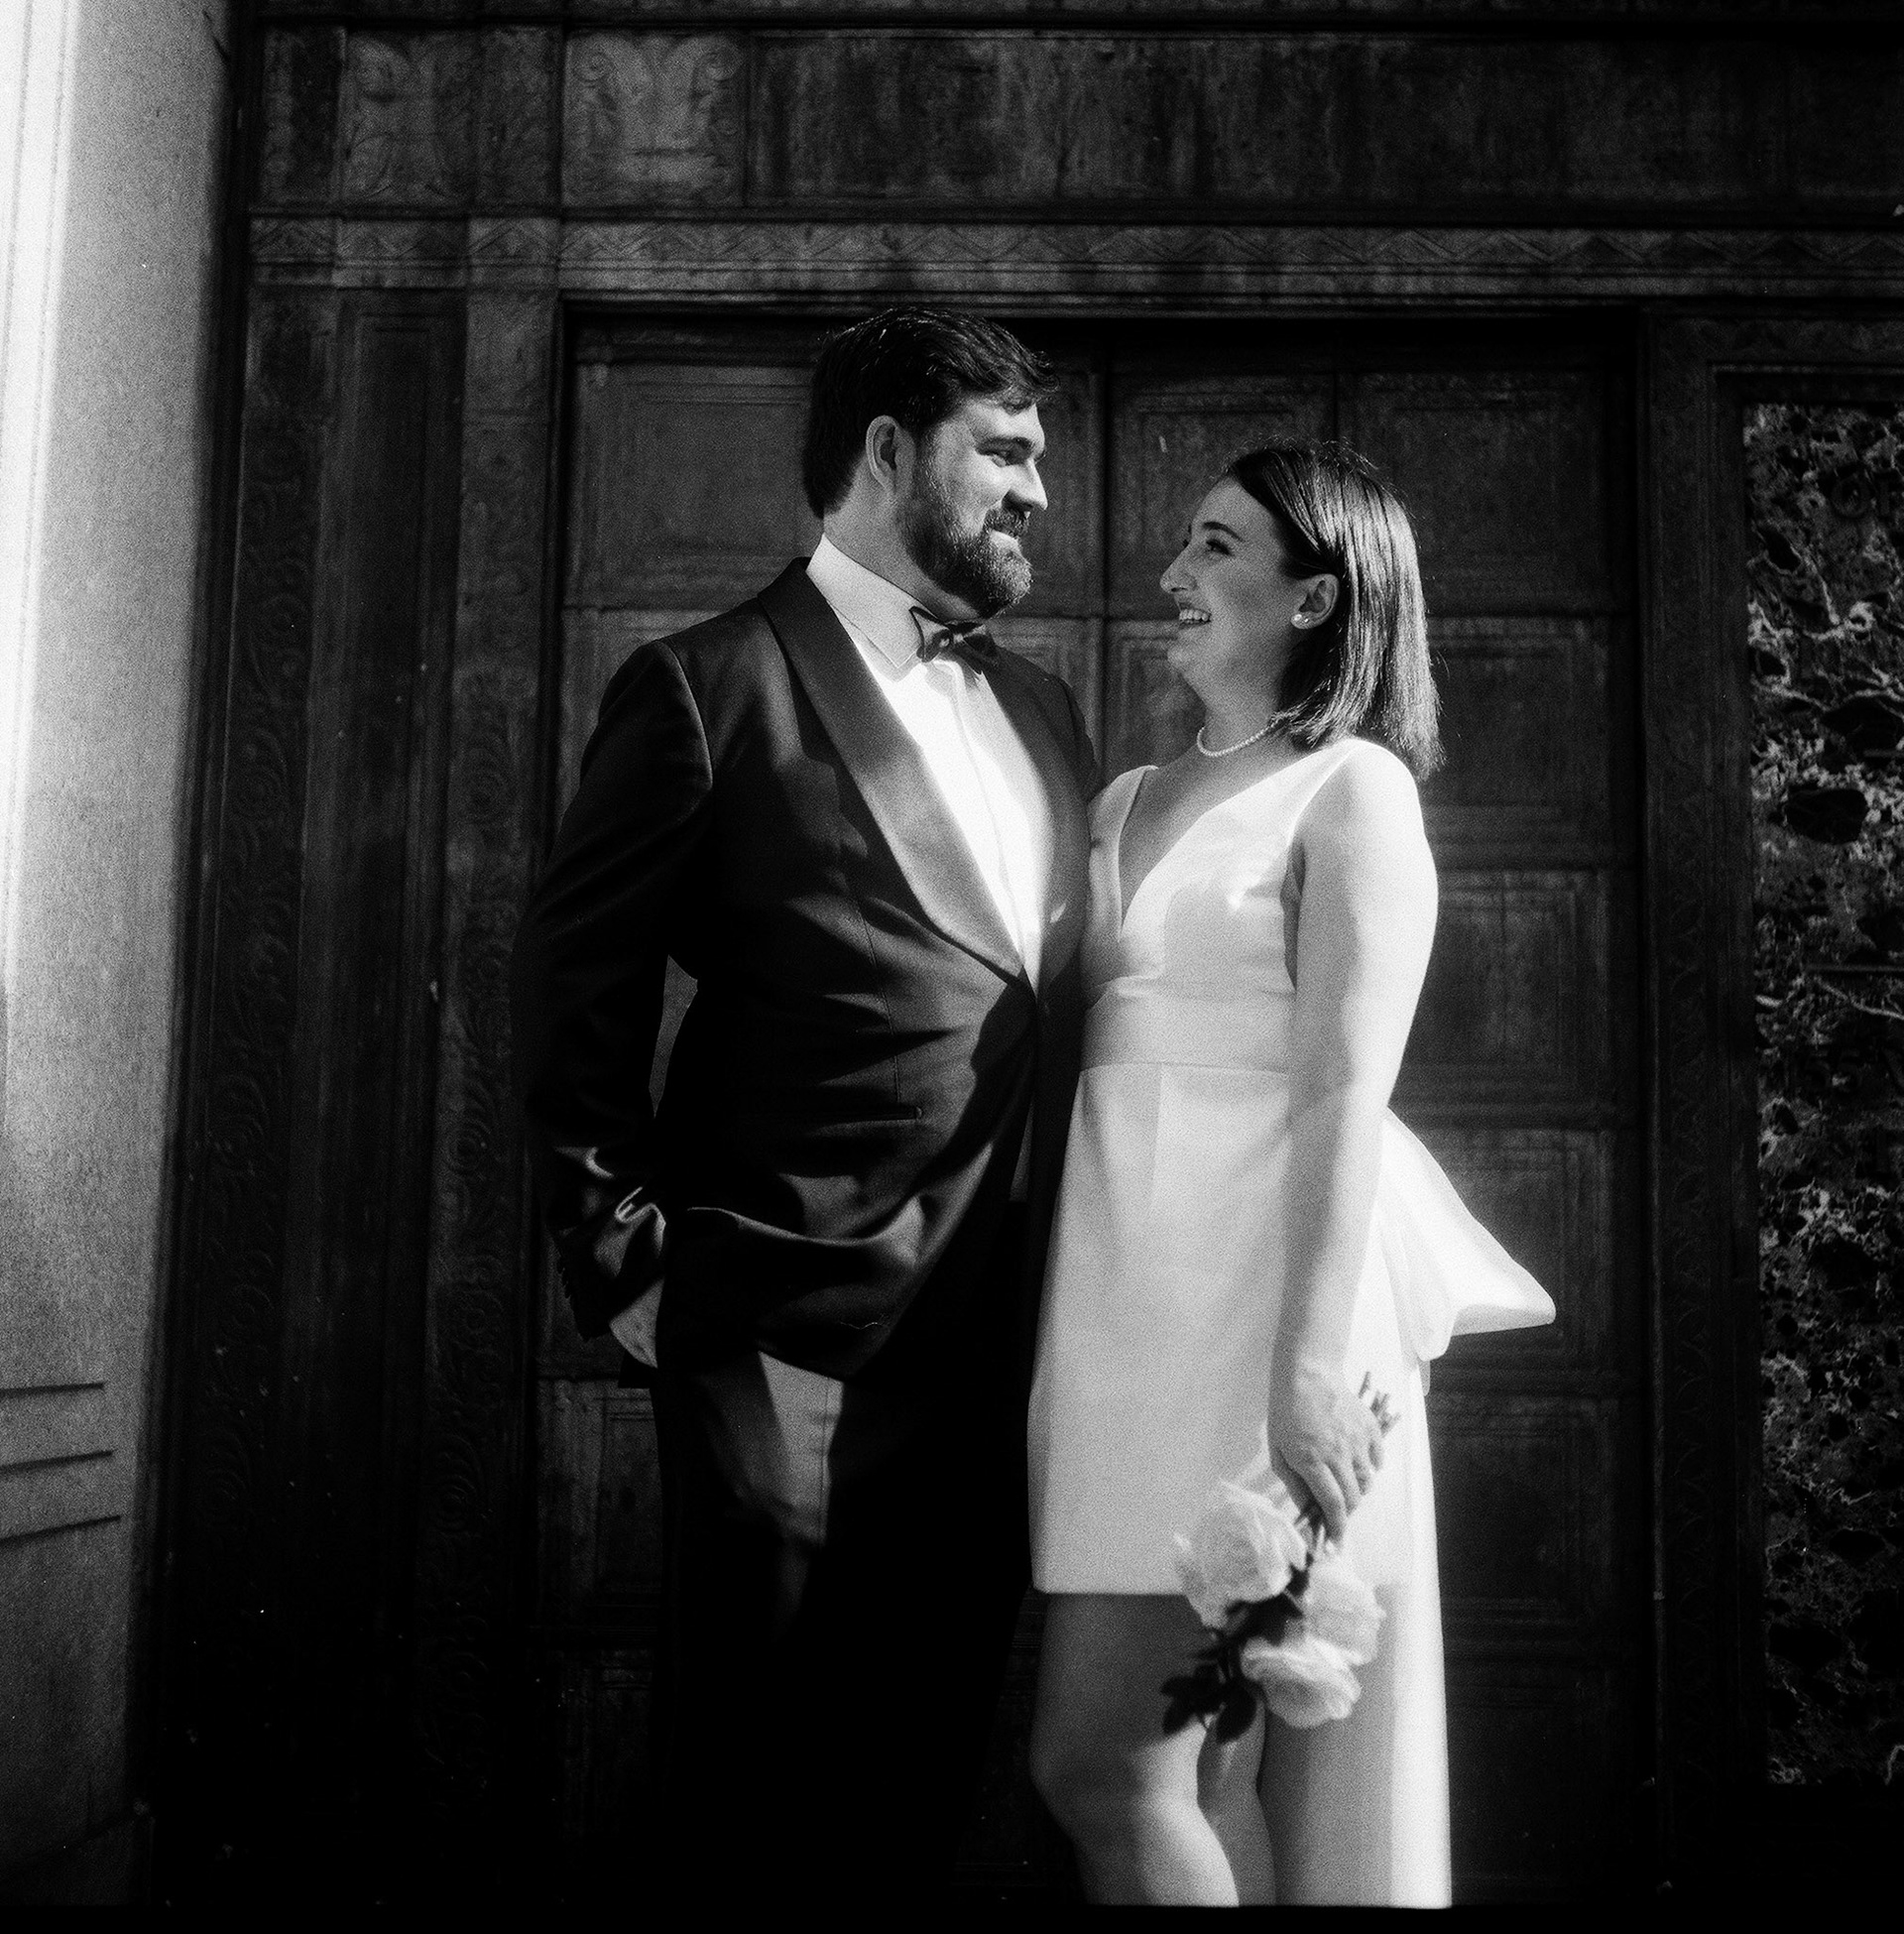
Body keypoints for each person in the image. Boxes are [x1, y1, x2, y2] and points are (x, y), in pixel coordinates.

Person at [509, 307, 1097, 1900]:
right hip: (776, 1339)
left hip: (991, 1361)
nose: (1042, 489)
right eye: (1008, 449)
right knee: (753, 1800)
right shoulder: (706, 686)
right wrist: (630, 1270)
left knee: (918, 1791)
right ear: (890, 452)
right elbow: (574, 1002)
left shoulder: (1046, 713)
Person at [1026, 441, 1552, 1906]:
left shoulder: (1354, 790)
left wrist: (1305, 1373)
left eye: (1213, 550)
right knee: (1199, 1768)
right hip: (1117, 1308)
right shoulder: (1123, 800)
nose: (1172, 577)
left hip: (1258, 1315)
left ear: (1316, 597)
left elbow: (1340, 1086)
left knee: (1099, 1762)